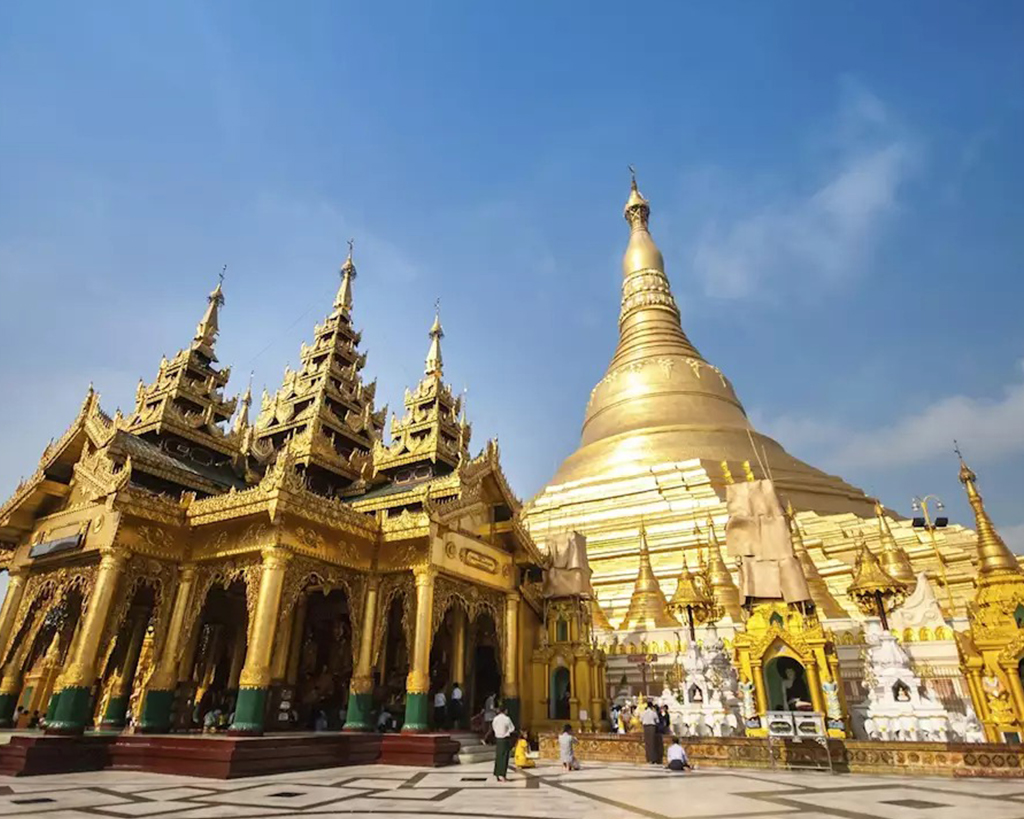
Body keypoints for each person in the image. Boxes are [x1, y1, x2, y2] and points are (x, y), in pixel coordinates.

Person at [491, 705, 515, 782]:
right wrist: (506, 732)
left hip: (498, 739)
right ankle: (502, 775)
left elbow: (493, 727)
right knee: (504, 757)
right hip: (505, 739)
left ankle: (497, 774)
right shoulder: (506, 719)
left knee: (498, 757)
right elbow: (512, 728)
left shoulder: (495, 718)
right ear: (505, 711)